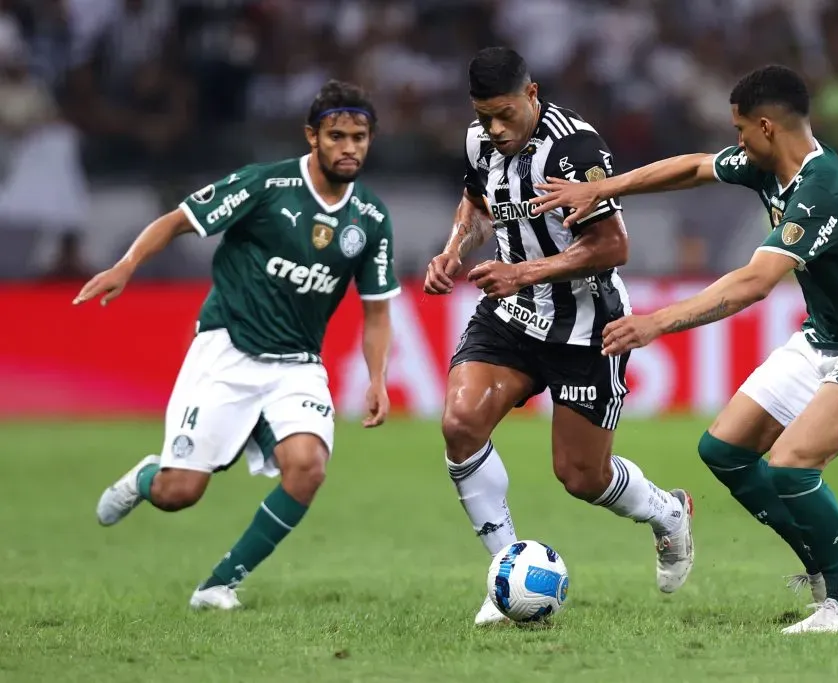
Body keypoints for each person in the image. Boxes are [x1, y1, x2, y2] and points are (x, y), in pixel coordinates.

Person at [531, 65, 838, 634]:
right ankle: (826, 560)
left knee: (793, 463)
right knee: (723, 450)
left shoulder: (823, 190)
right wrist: (604, 187)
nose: (737, 142)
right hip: (827, 336)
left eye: (742, 130)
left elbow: (755, 282)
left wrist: (659, 322)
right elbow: (694, 167)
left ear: (768, 127)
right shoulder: (770, 165)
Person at [74, 80, 400, 610]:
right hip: (229, 352)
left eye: (359, 137)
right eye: (337, 136)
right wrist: (126, 266)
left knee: (308, 466)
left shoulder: (371, 218)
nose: (349, 148)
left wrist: (378, 378)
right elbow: (178, 221)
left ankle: (219, 584)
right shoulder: (265, 186)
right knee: (180, 493)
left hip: (297, 366)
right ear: (311, 137)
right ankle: (147, 477)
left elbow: (377, 311)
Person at [423, 47, 694, 627]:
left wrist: (521, 271)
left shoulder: (575, 147)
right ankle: (505, 573)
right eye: (482, 116)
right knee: (459, 423)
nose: (494, 129)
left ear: (531, 94)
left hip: (585, 324)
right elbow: (475, 203)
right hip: (512, 315)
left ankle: (669, 511)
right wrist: (451, 252)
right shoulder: (480, 141)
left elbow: (613, 246)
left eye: (502, 114)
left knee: (581, 477)